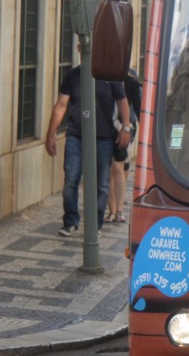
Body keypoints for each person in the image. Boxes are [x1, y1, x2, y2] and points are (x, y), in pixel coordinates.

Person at [45, 63, 131, 236]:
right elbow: (61, 105)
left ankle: (95, 225)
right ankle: (70, 222)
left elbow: (122, 102)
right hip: (76, 136)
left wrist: (126, 128)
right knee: (71, 179)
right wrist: (51, 134)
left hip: (103, 137)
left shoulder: (109, 75)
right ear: (79, 47)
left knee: (102, 184)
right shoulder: (72, 76)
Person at [106, 68, 142, 224]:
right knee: (111, 168)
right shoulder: (102, 76)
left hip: (126, 126)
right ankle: (112, 210)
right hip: (106, 126)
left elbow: (140, 109)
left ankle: (118, 210)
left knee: (117, 166)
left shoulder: (131, 82)